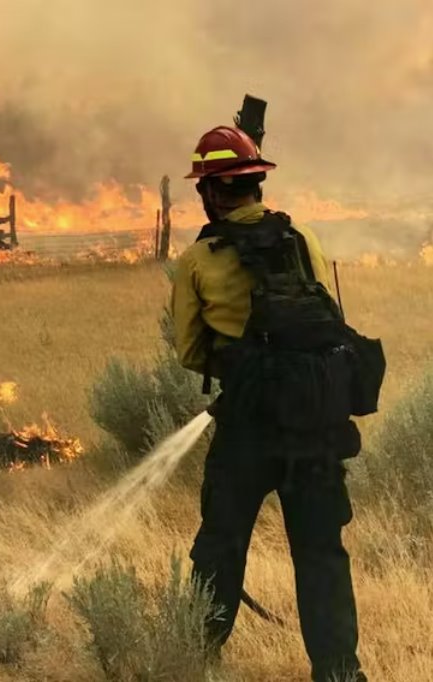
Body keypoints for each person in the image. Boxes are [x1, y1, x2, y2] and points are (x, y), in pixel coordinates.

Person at [171, 125, 367, 682]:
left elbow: (190, 350)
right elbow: (326, 313)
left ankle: (192, 661)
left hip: (249, 429)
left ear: (208, 192)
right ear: (258, 182)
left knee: (221, 545)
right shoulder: (303, 237)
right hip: (317, 421)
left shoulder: (198, 260)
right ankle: (339, 673)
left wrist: (248, 371)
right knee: (321, 552)